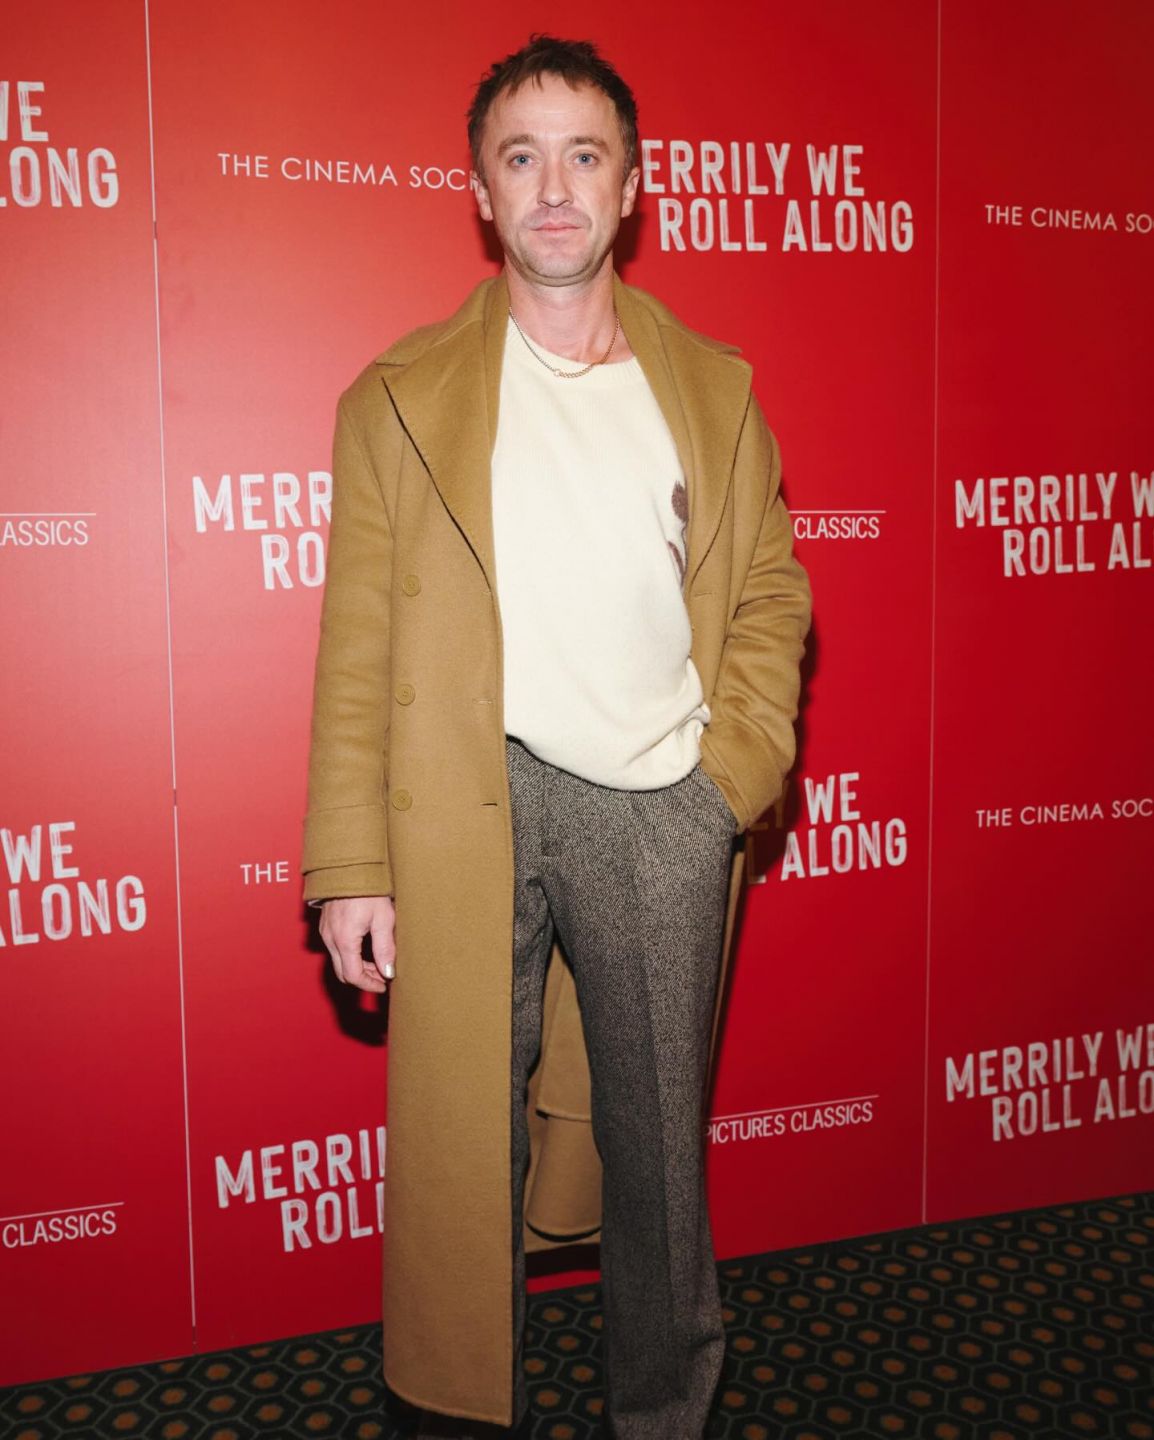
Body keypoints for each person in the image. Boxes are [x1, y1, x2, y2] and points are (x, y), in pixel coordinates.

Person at [301, 33, 813, 1440]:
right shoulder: (396, 398)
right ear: (480, 192)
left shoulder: (712, 388)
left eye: (584, 155)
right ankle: (456, 1409)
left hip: (660, 804)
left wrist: (725, 784)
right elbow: (358, 647)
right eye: (519, 157)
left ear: (631, 186)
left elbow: (772, 590)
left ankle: (665, 1410)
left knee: (655, 1155)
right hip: (470, 797)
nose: (552, 187)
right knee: (460, 1137)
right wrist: (350, 864)